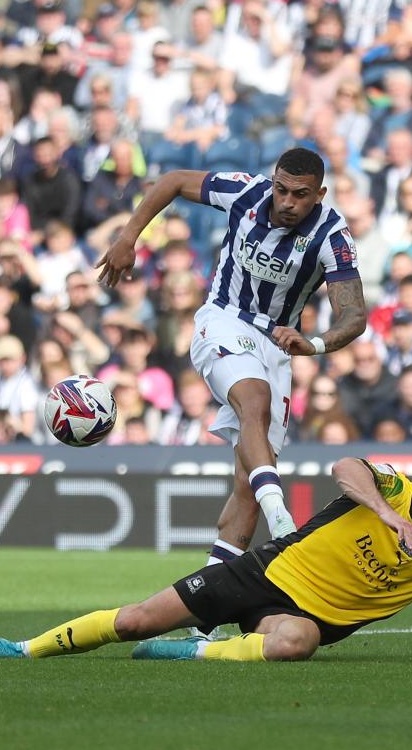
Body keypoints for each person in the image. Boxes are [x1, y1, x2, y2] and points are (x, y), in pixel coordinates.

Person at [0, 451, 412, 665]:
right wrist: (385, 512)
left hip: (302, 617)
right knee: (134, 620)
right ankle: (23, 649)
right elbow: (343, 467)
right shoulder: (391, 486)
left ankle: (192, 653)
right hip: (262, 572)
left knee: (298, 643)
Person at [96, 148, 365, 564]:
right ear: (272, 182)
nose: (287, 202)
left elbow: (354, 315)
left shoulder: (332, 234)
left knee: (248, 483)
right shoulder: (246, 192)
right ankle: (282, 521)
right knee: (254, 399)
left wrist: (313, 344)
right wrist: (128, 237)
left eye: (300, 194)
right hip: (223, 318)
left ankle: (209, 597)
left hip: (278, 345)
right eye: (281, 189)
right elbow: (172, 180)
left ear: (319, 194)